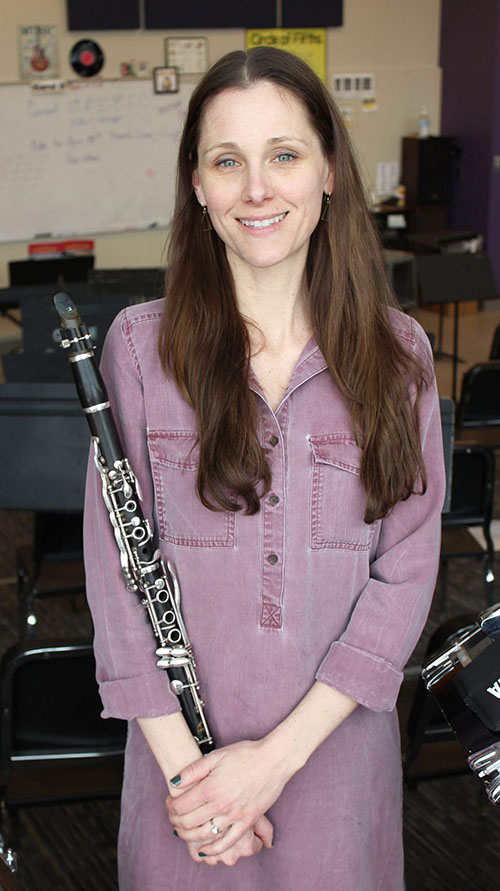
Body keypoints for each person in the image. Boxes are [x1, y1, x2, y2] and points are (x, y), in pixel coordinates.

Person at [84, 46, 446, 890]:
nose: (257, 189)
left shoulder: (401, 357)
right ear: (198, 185)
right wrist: (198, 783)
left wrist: (269, 766)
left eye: (284, 155)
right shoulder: (139, 350)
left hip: (334, 766)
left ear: (328, 171)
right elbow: (115, 583)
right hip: (186, 787)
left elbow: (407, 577)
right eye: (227, 161)